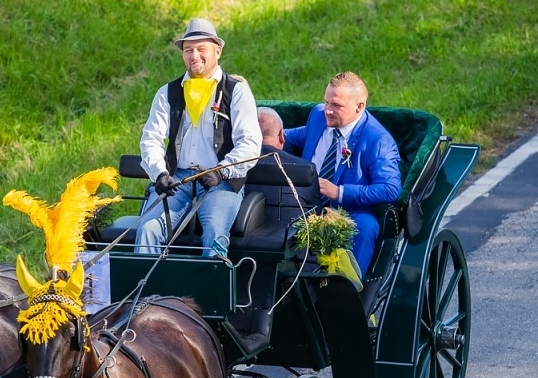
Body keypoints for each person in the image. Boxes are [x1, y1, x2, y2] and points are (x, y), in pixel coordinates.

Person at [135, 18, 261, 258]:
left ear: (217, 50)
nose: (195, 55)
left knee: (214, 232)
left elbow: (250, 144)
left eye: (201, 48)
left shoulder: (236, 91)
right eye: (188, 49)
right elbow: (150, 139)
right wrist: (160, 174)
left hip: (221, 180)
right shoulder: (167, 92)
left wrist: (223, 170)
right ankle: (147, 295)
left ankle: (207, 294)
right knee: (148, 228)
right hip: (178, 179)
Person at [282, 72, 401, 277]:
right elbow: (297, 136)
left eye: (336, 105)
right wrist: (263, 136)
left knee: (365, 226)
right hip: (304, 204)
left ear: (359, 106)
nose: (328, 110)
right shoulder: (318, 116)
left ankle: (350, 293)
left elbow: (390, 188)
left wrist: (339, 192)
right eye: (326, 102)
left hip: (348, 211)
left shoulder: (378, 140)